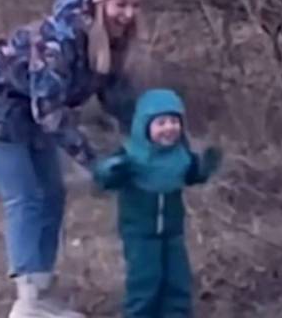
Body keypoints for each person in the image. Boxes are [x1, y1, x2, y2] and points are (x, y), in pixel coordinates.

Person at [0, 0, 144, 318]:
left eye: (135, 6)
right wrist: (94, 161)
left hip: (29, 109)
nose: (129, 14)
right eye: (122, 4)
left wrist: (144, 134)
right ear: (102, 1)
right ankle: (25, 303)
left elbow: (114, 94)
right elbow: (50, 112)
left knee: (53, 193)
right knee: (25, 196)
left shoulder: (109, 38)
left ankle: (40, 294)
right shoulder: (58, 39)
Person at [94, 89, 222, 318]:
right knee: (145, 280)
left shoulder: (181, 156)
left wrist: (206, 166)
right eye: (161, 122)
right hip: (140, 232)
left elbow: (193, 175)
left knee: (177, 279)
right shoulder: (132, 156)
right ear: (144, 126)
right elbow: (104, 178)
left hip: (173, 232)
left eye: (174, 121)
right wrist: (111, 170)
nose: (169, 128)